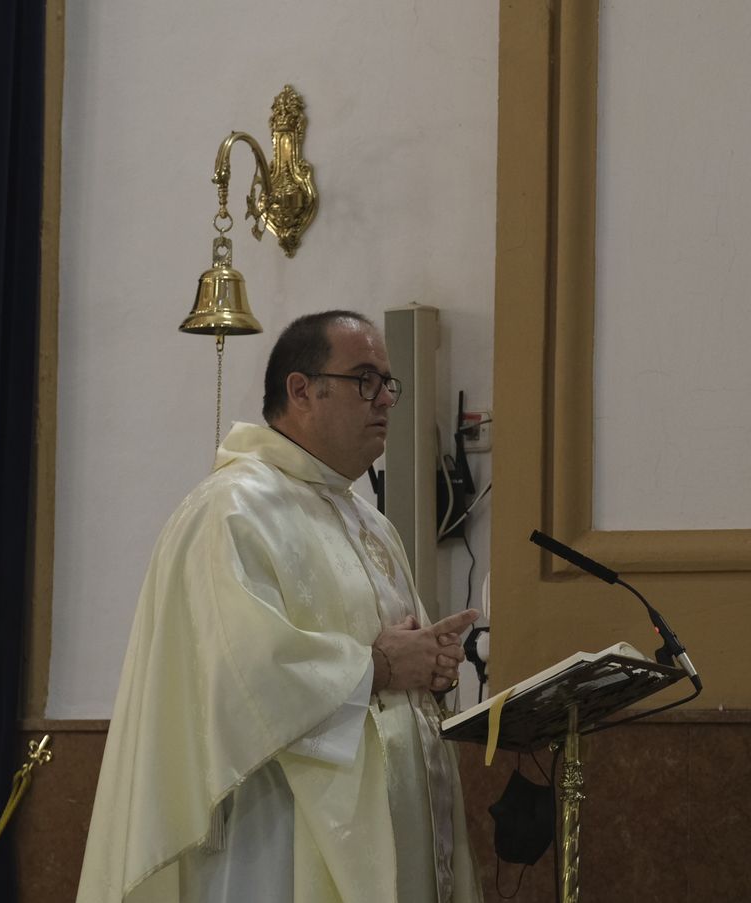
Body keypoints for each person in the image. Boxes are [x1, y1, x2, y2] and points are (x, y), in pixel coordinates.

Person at [77, 310, 483, 903]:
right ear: (301, 390)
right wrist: (386, 668)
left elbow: (398, 652)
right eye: (364, 379)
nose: (385, 400)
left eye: (388, 384)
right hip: (277, 843)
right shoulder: (232, 511)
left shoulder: (366, 520)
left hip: (381, 829)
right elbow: (240, 678)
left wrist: (432, 667)